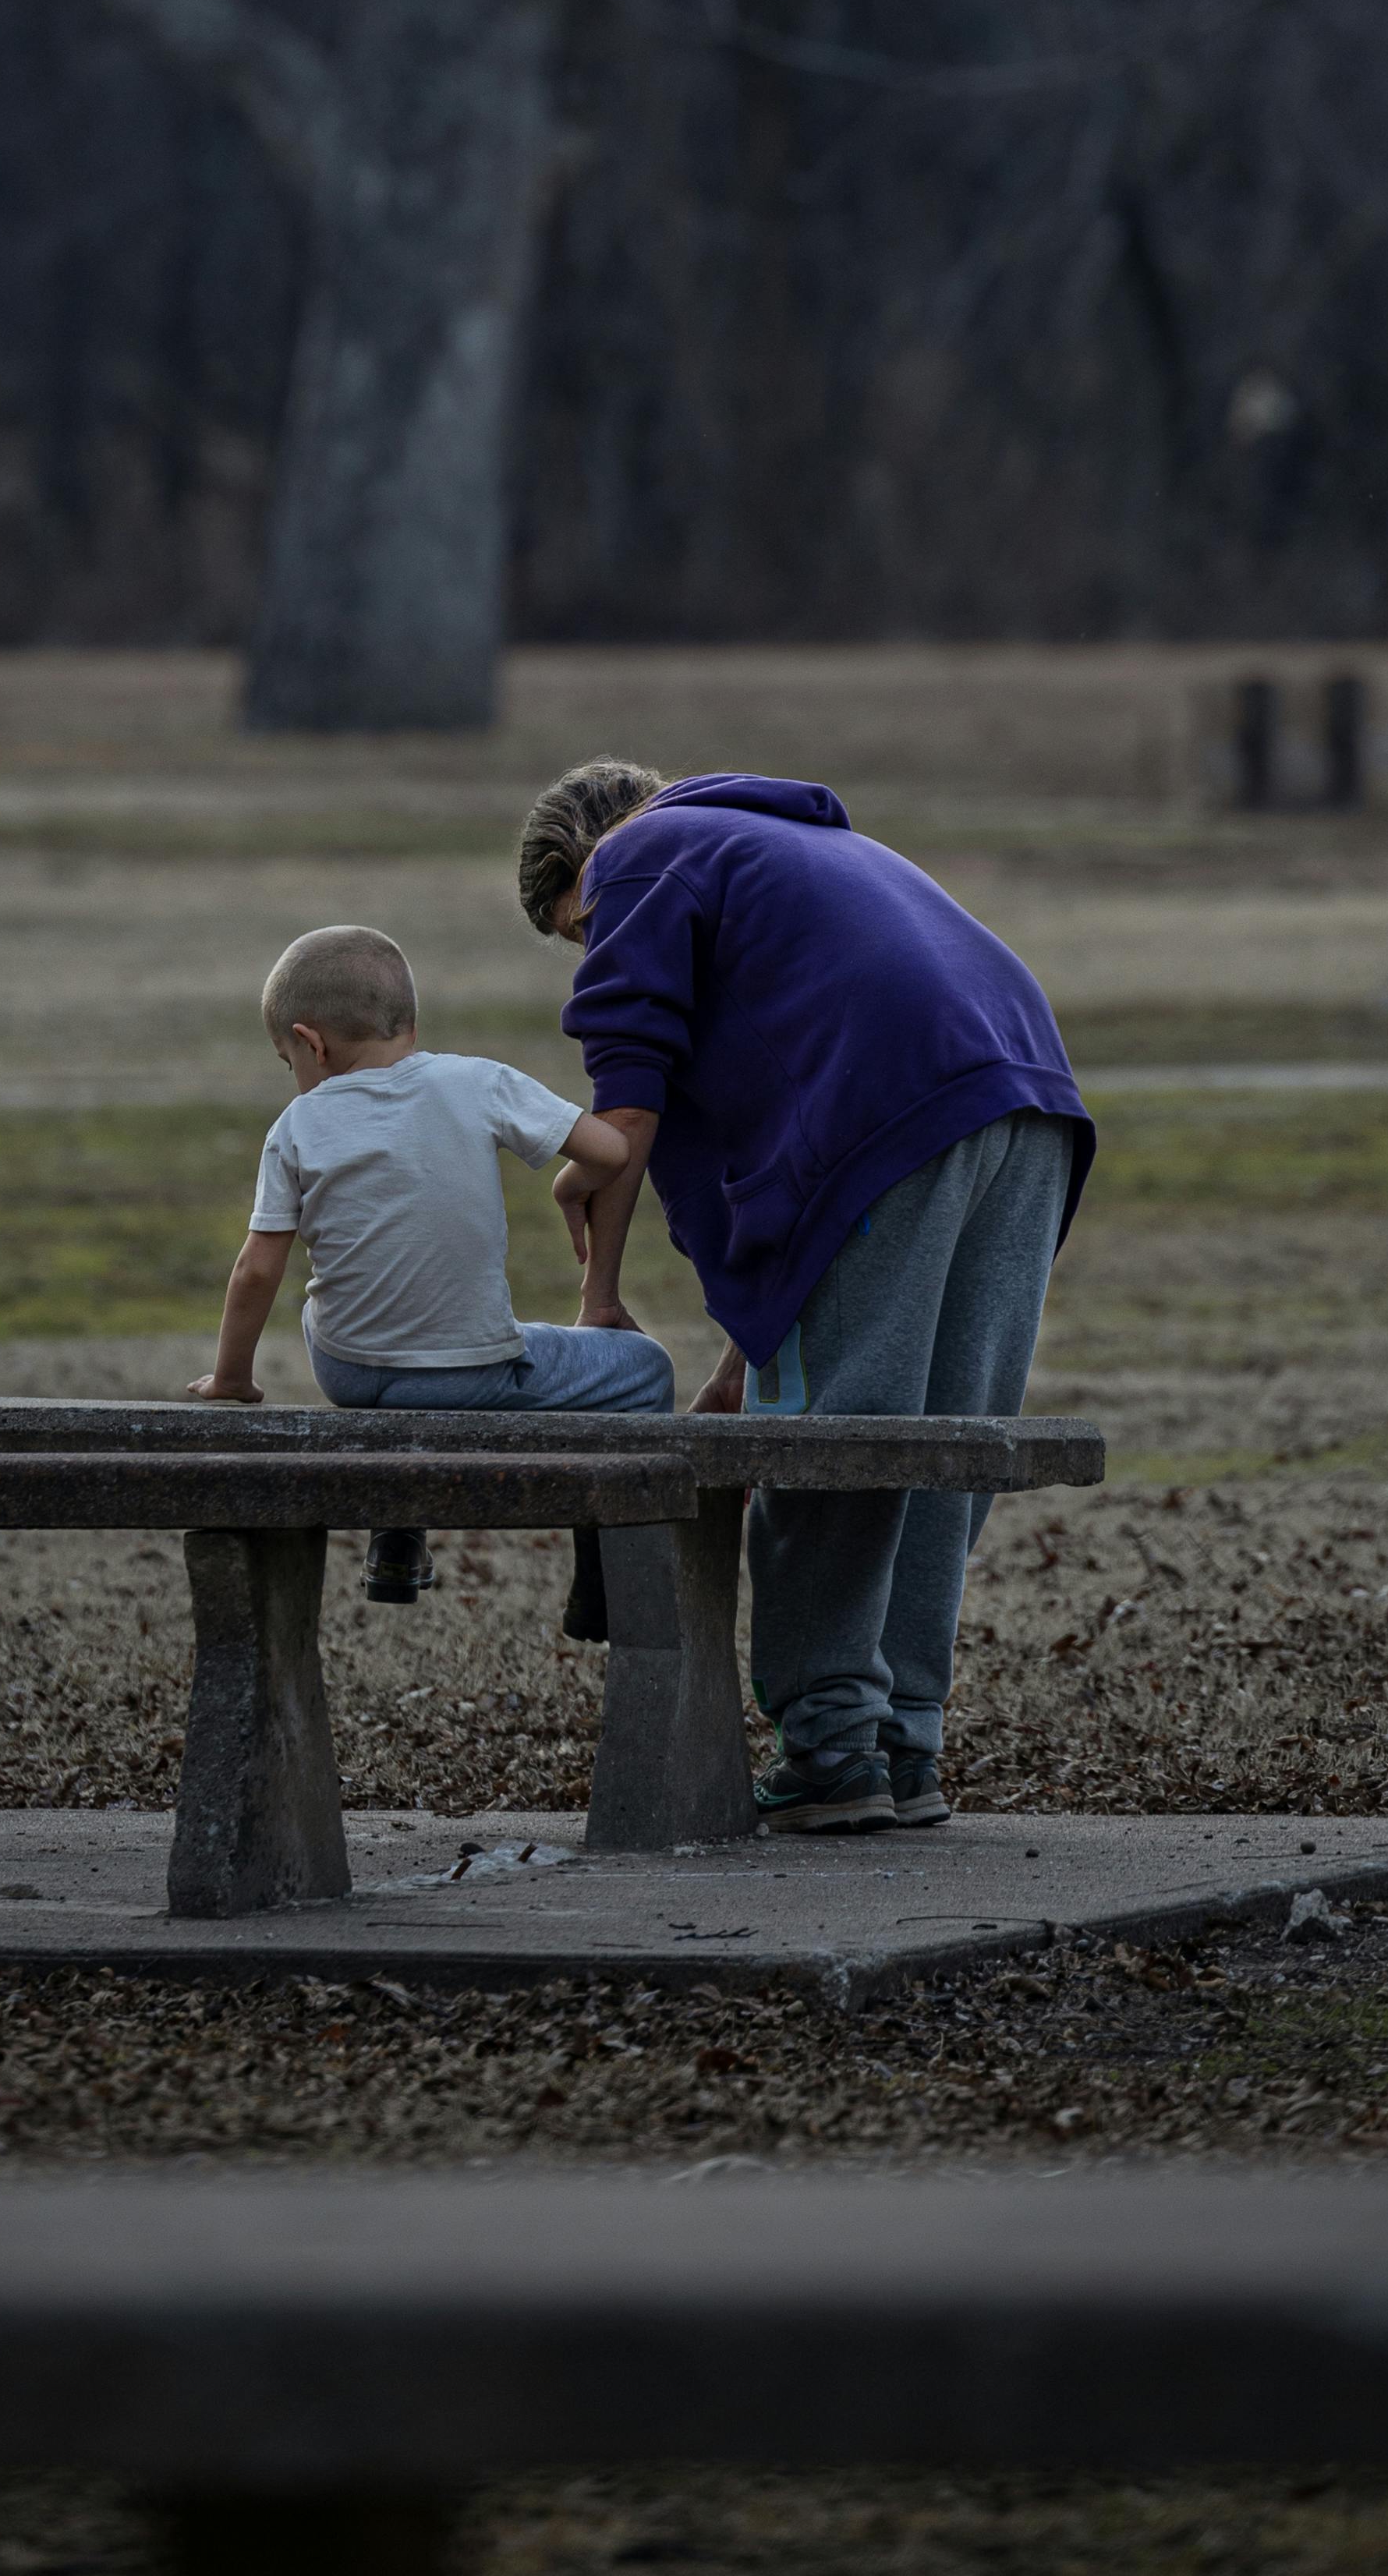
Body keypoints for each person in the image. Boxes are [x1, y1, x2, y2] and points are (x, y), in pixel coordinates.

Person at [518, 759, 1091, 1834]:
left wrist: (596, 1297)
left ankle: (832, 1748)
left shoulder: (634, 859)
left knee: (830, 1446)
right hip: (1027, 1104)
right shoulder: (798, 848)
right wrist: (750, 1352)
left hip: (889, 1122)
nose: (596, 957)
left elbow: (622, 1122)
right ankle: (900, 1744)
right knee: (930, 1445)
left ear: (583, 882)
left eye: (580, 937)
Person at [190, 919, 672, 1600]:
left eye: (286, 1063)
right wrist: (571, 1182)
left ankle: (397, 1540)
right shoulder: (479, 1083)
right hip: (470, 1374)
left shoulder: (294, 1127)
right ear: (411, 1023)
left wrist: (230, 1379)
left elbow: (257, 1272)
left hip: (350, 1367)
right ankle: (608, 1587)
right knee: (646, 1371)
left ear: (310, 1043)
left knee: (342, 1307)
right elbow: (612, 1152)